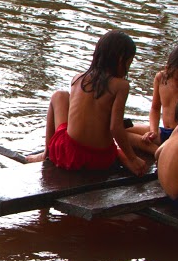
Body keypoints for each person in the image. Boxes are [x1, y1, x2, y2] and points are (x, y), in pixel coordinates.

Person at [30, 30, 157, 174]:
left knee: (59, 96)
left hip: (67, 155)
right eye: (130, 62)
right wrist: (132, 158)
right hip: (100, 160)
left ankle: (47, 153)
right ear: (121, 60)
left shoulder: (77, 79)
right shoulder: (121, 85)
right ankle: (121, 156)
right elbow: (115, 128)